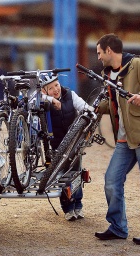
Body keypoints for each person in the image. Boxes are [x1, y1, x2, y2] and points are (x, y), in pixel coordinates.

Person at [94, 33, 140, 245]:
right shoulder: (108, 75)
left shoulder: (138, 65)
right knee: (111, 180)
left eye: (99, 53)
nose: (98, 57)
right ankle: (117, 227)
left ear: (109, 50)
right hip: (125, 139)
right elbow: (114, 103)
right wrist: (95, 109)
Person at [40, 74, 89, 221]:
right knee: (62, 178)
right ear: (44, 91)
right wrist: (51, 100)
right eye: (50, 88)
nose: (56, 89)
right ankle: (67, 208)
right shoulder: (43, 101)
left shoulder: (70, 95)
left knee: (75, 174)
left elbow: (85, 107)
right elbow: (32, 99)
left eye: (56, 85)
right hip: (57, 146)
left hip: (74, 144)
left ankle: (78, 205)